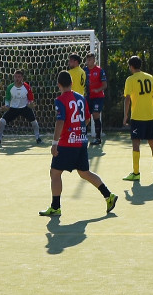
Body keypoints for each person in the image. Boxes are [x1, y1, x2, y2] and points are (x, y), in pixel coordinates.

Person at [39, 70, 117, 217]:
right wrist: (78, 130)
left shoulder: (60, 100)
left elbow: (60, 121)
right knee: (84, 172)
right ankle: (109, 195)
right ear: (72, 83)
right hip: (81, 141)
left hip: (67, 143)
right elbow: (87, 119)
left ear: (58, 85)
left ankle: (55, 207)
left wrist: (55, 143)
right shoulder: (81, 98)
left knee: (55, 173)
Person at [122, 55, 153, 181]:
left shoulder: (130, 79)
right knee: (152, 143)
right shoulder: (150, 77)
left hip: (137, 117)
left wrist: (125, 115)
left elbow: (127, 98)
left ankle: (136, 173)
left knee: (136, 143)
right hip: (149, 116)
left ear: (131, 66)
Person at [0, 69, 42, 145]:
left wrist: (30, 104)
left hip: (25, 108)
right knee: (1, 122)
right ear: (14, 77)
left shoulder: (27, 87)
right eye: (16, 77)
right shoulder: (10, 87)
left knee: (34, 122)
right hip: (13, 109)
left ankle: (38, 138)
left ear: (22, 78)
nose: (17, 78)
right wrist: (6, 106)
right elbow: (7, 99)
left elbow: (30, 99)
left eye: (19, 77)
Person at [84, 52, 107, 145]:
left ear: (94, 60)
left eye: (90, 59)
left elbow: (105, 85)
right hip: (87, 97)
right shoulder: (84, 70)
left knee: (95, 115)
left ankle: (98, 138)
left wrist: (98, 90)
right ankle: (83, 137)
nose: (88, 61)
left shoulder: (100, 70)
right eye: (87, 59)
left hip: (98, 97)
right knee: (85, 116)